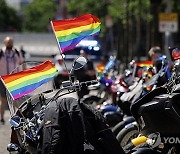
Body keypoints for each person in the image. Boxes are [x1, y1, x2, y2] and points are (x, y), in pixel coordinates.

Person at [0, 36, 24, 124]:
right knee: (3, 100)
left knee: (16, 99)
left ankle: (16, 117)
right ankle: (2, 118)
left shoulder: (17, 52)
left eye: (11, 42)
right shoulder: (1, 52)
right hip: (3, 80)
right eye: (8, 42)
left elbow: (22, 63)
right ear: (4, 43)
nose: (9, 44)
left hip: (15, 79)